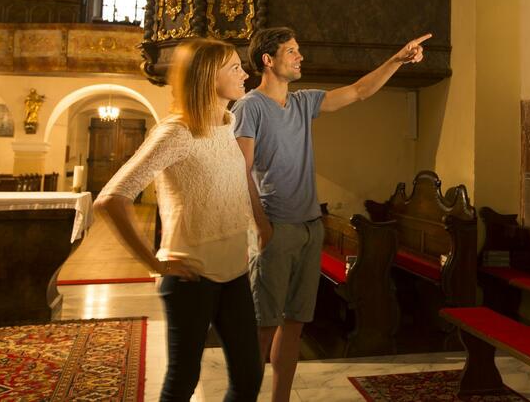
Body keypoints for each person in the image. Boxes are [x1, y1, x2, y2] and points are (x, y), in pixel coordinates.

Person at [233, 27, 430, 402]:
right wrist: (260, 227)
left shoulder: (304, 102)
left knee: (294, 326)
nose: (300, 56)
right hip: (275, 229)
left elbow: (359, 91)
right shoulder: (249, 107)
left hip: (310, 227)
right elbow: (239, 172)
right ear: (268, 60)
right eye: (292, 51)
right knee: (263, 327)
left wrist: (397, 60)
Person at [95, 38, 267, 402]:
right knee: (182, 382)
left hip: (235, 270)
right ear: (208, 77)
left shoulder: (228, 121)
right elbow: (111, 199)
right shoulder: (176, 132)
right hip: (193, 276)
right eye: (234, 68)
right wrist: (153, 261)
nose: (245, 73)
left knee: (250, 376)